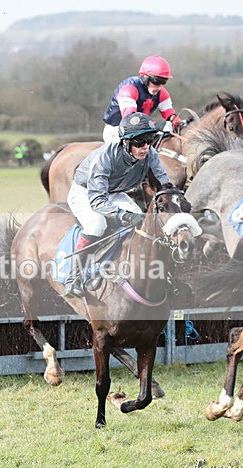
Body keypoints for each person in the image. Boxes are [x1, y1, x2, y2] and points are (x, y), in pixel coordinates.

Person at [63, 112, 172, 297]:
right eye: (139, 142)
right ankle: (72, 277)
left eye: (149, 140)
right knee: (97, 224)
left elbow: (164, 181)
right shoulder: (105, 157)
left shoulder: (150, 153)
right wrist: (123, 215)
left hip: (114, 193)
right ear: (125, 142)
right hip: (85, 192)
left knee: (141, 220)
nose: (145, 147)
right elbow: (97, 201)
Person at [102, 55, 182, 143]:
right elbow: (131, 120)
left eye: (163, 82)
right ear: (145, 76)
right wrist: (157, 125)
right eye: (156, 81)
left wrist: (176, 121)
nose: (159, 87)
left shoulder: (161, 92)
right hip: (117, 130)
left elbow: (169, 113)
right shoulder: (129, 88)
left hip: (141, 130)